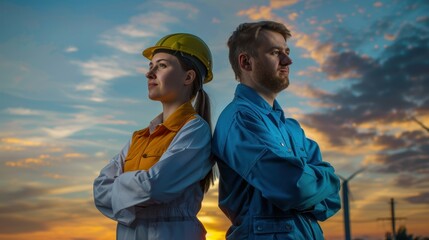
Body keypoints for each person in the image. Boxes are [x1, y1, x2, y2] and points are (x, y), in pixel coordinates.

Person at [212, 21, 341, 239]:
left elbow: (333, 198)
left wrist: (322, 184)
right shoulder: (240, 119)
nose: (288, 60)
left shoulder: (292, 128)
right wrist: (321, 183)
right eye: (275, 53)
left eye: (287, 52)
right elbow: (293, 188)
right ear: (246, 62)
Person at [93, 33, 215, 240]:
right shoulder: (138, 138)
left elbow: (156, 187)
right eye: (151, 66)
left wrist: (121, 186)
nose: (149, 74)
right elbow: (99, 191)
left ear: (188, 77)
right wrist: (141, 186)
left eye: (161, 66)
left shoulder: (195, 131)